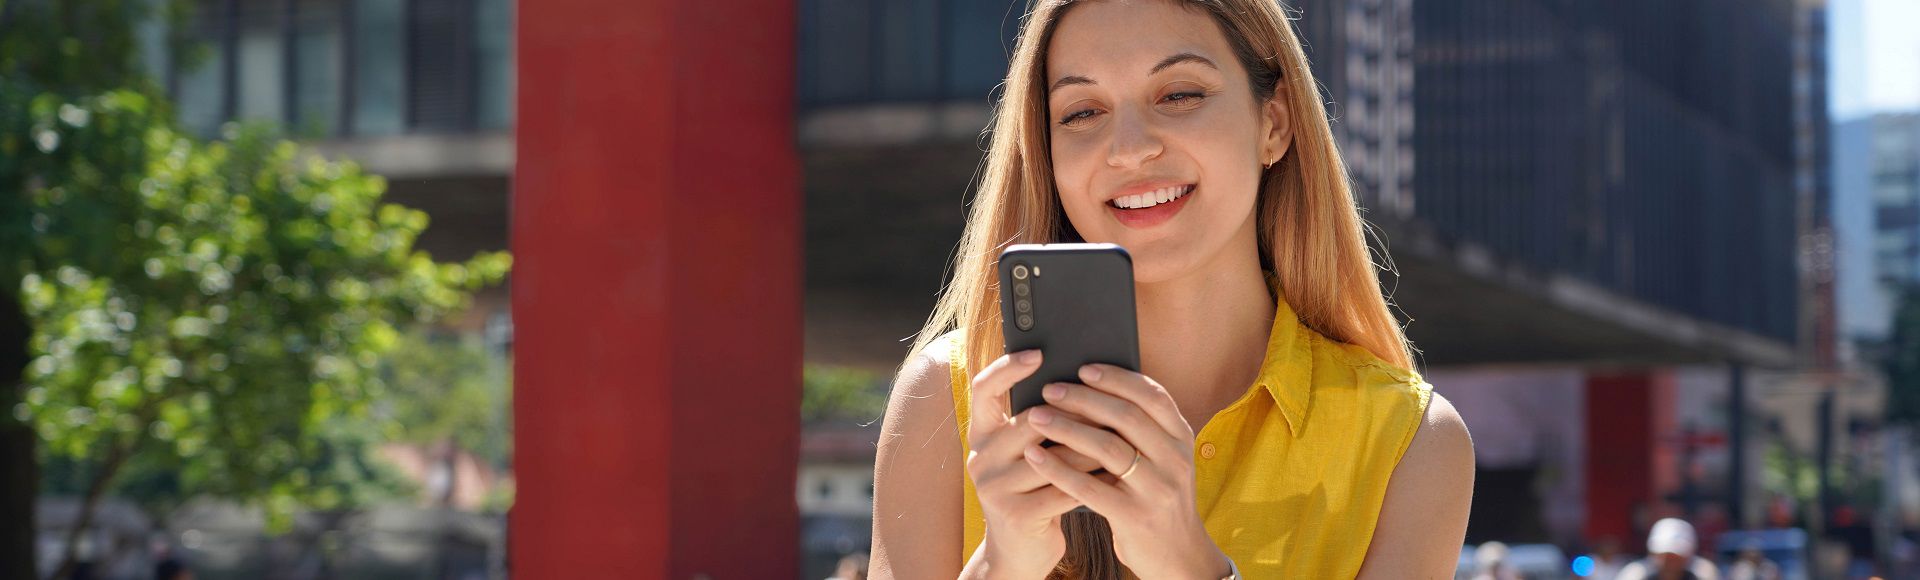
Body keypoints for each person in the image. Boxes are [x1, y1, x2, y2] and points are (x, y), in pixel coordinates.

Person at [868, 1, 1475, 578]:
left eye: (1180, 95)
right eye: (1082, 112)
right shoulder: (946, 400)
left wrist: (1191, 568)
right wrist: (1004, 567)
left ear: (1275, 123)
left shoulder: (1410, 443)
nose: (1130, 148)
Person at [1616, 518, 1722, 580]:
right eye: (1664, 555)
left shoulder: (1703, 574)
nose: (1669, 562)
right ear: (1652, 553)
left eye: (1676, 556)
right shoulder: (1635, 575)